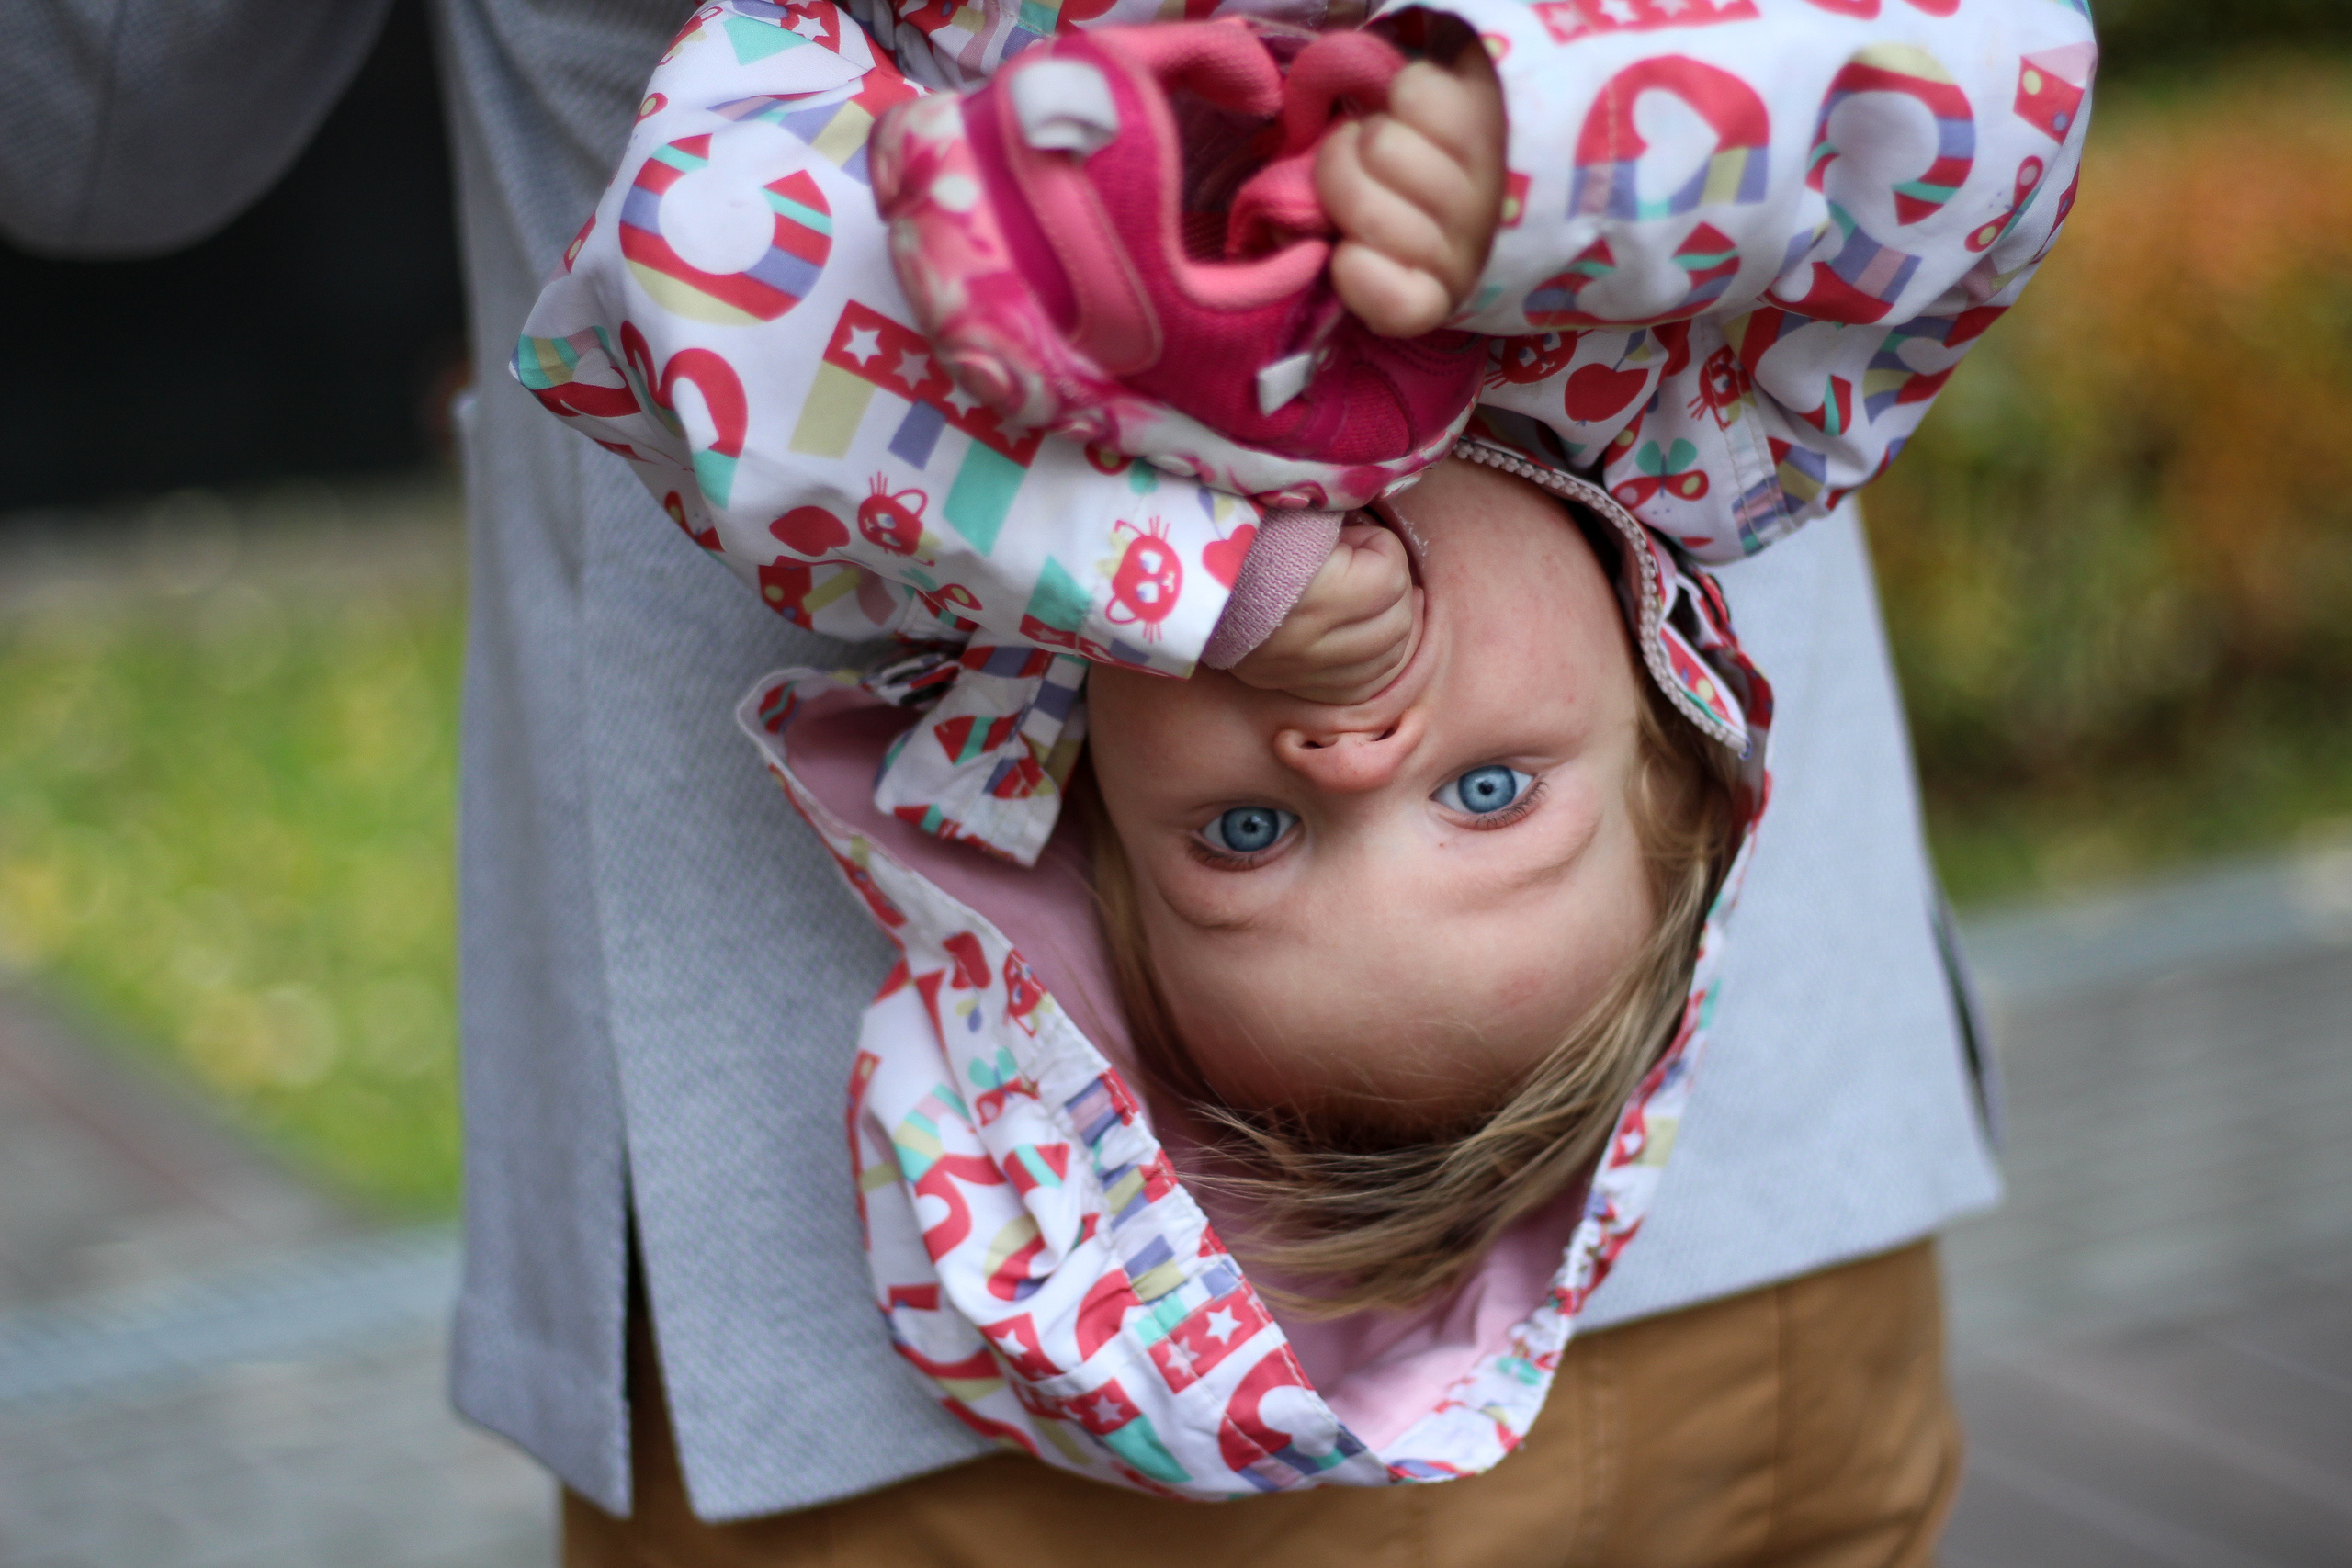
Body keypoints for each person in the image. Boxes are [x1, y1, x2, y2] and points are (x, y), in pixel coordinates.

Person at [0, 0, 2089, 1560]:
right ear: (1683, 725)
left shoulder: (974, 585)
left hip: (869, 1392)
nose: (1353, 743)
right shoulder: (1702, 423)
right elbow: (1982, 86)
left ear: (1040, 817)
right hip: (1776, 1229)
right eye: (1488, 795)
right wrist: (1542, 144)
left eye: (1250, 835)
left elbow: (129, 138)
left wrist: (1175, 555)